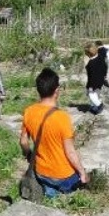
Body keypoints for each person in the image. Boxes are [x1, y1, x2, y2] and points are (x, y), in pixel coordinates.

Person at [20, 68, 89, 197]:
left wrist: (29, 155)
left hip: (41, 172)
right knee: (81, 178)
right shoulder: (62, 117)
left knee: (51, 188)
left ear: (38, 90)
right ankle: (62, 196)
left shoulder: (29, 111)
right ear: (56, 91)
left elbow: (23, 141)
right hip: (63, 175)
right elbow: (70, 152)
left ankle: (51, 195)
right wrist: (82, 172)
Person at [85, 44, 109, 115]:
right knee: (96, 93)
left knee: (91, 94)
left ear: (88, 54)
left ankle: (99, 105)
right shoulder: (100, 57)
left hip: (94, 81)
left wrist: (90, 86)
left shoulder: (91, 63)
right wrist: (105, 76)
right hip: (101, 79)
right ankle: (94, 107)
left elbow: (92, 76)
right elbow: (105, 67)